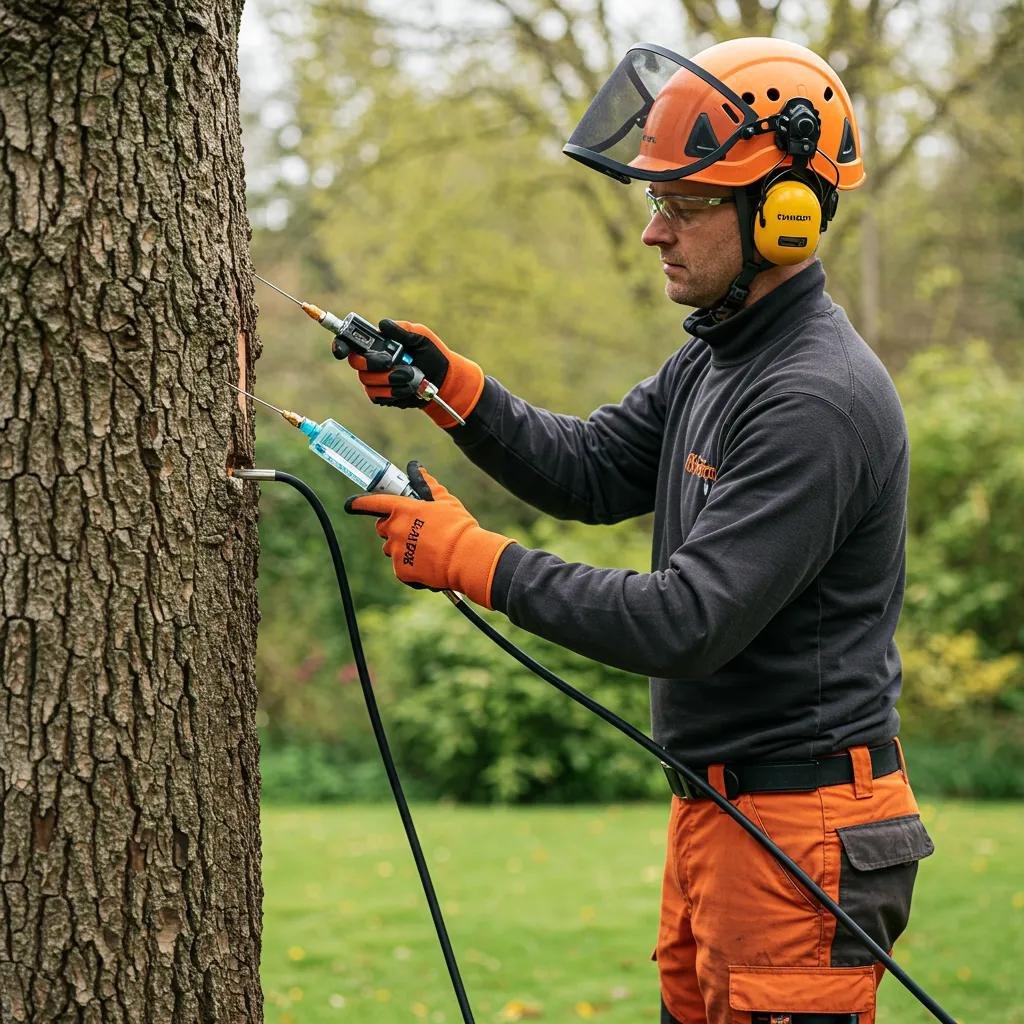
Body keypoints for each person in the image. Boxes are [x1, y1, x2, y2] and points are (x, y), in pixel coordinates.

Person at [342, 37, 934, 1024]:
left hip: (801, 831)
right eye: (656, 200)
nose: (655, 232)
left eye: (686, 203)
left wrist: (472, 560)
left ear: (784, 213)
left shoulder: (813, 399)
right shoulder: (720, 353)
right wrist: (454, 391)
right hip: (719, 814)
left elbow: (686, 621)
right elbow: (590, 466)